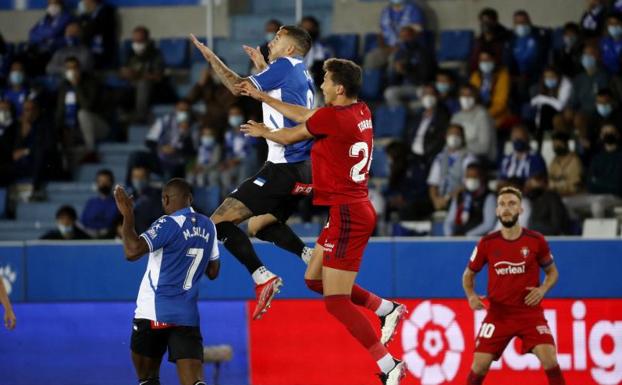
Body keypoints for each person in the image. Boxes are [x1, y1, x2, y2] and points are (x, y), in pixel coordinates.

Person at [239, 58, 407, 385]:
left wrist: (264, 130)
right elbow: (309, 116)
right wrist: (267, 99)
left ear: (340, 89)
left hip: (348, 214)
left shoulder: (332, 117)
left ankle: (389, 366)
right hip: (348, 209)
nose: (322, 86)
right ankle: (386, 308)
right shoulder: (362, 111)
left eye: (327, 81)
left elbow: (292, 133)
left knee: (335, 302)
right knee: (314, 281)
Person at [191, 26, 317, 319]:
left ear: (290, 49)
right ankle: (308, 255)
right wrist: (262, 66)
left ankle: (263, 277)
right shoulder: (299, 71)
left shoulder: (285, 65)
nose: (270, 43)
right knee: (258, 227)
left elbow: (238, 87)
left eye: (277, 40)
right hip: (302, 170)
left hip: (282, 168)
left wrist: (212, 59)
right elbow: (279, 98)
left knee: (216, 224)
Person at [113, 179, 220, 385]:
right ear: (190, 199)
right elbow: (213, 271)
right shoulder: (209, 225)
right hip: (187, 316)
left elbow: (132, 251)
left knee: (148, 379)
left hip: (153, 312)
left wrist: (128, 215)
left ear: (165, 199)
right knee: (195, 382)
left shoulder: (167, 223)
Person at [462, 186, 566, 385]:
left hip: (530, 313)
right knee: (479, 366)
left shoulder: (536, 241)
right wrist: (471, 296)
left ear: (521, 209)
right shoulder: (487, 243)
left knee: (550, 359)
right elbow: (468, 275)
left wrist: (543, 289)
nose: (507, 208)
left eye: (512, 204)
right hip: (498, 314)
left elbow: (552, 272)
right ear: (496, 211)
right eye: (502, 204)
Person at [55, 56, 109, 161]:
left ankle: (91, 151)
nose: (72, 71)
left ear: (79, 69)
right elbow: (60, 111)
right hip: (76, 129)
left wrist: (76, 86)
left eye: (74, 68)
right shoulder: (64, 86)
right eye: (69, 68)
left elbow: (87, 106)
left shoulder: (91, 82)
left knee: (82, 113)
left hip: (98, 126)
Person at [427, 124, 477, 211]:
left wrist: (447, 198)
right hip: (439, 199)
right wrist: (435, 200)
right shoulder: (440, 157)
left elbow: (468, 184)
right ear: (445, 136)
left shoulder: (469, 157)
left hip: (458, 197)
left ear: (462, 137)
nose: (454, 137)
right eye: (451, 134)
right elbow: (433, 184)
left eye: (457, 134)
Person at [384, 26, 436, 109]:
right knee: (390, 92)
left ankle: (406, 111)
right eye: (402, 37)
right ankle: (402, 113)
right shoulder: (400, 53)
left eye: (407, 36)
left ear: (414, 36)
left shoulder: (422, 52)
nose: (405, 39)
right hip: (404, 86)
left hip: (419, 86)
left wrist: (405, 71)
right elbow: (392, 79)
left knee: (427, 99)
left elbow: (425, 76)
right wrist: (395, 71)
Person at [120, 26, 165, 123]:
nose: (137, 44)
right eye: (135, 41)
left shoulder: (155, 54)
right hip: (131, 87)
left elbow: (158, 77)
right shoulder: (130, 53)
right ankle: (121, 116)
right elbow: (122, 71)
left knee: (143, 84)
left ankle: (141, 116)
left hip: (153, 89)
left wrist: (139, 75)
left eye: (140, 41)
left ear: (147, 40)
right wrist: (125, 73)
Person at [364, 0, 426, 70]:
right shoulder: (386, 10)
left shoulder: (413, 10)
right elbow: (381, 33)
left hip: (406, 49)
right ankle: (369, 79)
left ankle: (390, 80)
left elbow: (416, 33)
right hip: (387, 47)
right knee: (371, 57)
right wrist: (384, 47)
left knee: (394, 58)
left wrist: (398, 47)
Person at [145, 99, 197, 180]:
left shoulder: (193, 127)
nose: (183, 113)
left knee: (172, 172)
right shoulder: (164, 121)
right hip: (161, 158)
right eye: (181, 110)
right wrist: (162, 148)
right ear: (175, 109)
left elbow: (193, 151)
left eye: (186, 110)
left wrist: (186, 135)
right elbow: (149, 142)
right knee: (136, 157)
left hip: (180, 161)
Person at [444, 163, 496, 236]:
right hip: (459, 238)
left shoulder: (489, 197)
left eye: (474, 176)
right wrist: (450, 235)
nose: (471, 179)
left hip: (478, 240)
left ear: (482, 177)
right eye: (468, 176)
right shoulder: (460, 195)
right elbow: (449, 221)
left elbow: (489, 224)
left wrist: (467, 235)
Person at [404, 83, 450, 165]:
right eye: (426, 94)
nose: (428, 97)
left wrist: (426, 152)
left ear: (437, 96)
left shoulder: (443, 117)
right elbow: (409, 134)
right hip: (412, 154)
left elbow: (440, 140)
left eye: (431, 94)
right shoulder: (417, 115)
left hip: (428, 155)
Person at [450, 84, 497, 163]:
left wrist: (461, 150)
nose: (466, 98)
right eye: (463, 95)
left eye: (469, 95)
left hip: (480, 158)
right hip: (458, 155)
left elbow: (484, 147)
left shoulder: (482, 114)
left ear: (475, 97)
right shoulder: (456, 117)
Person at [529, 67, 573, 148]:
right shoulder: (543, 85)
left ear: (558, 76)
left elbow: (560, 106)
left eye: (552, 77)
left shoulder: (566, 84)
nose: (549, 79)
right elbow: (533, 103)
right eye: (547, 77)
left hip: (564, 114)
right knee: (542, 109)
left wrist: (542, 98)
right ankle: (538, 136)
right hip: (547, 117)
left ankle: (540, 138)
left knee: (545, 107)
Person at [469, 49, 511, 129]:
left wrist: (485, 114)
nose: (485, 62)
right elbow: (471, 96)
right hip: (477, 114)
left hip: (497, 116)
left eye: (487, 59)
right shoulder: (475, 76)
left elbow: (501, 102)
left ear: (494, 60)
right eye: (482, 60)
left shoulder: (503, 75)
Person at [469, 7, 511, 73]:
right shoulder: (479, 41)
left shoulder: (505, 38)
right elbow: (474, 60)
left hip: (500, 73)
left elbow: (506, 60)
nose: (485, 23)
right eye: (483, 21)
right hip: (480, 74)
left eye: (488, 21)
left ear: (495, 21)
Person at [78, 0, 118, 69]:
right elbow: (80, 27)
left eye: (85, 1)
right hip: (89, 49)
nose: (84, 3)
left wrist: (86, 24)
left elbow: (97, 28)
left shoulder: (107, 10)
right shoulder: (86, 14)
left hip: (103, 50)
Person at [80, 169, 118, 238]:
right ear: (97, 183)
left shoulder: (117, 203)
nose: (103, 184)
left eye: (106, 181)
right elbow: (84, 220)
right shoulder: (91, 202)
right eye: (101, 181)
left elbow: (111, 221)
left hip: (110, 237)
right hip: (89, 236)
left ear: (112, 183)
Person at [548, 130, 584, 197]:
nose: (556, 148)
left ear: (565, 144)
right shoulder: (554, 161)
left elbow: (575, 187)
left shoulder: (574, 160)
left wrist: (559, 186)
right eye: (554, 146)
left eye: (558, 145)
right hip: (556, 196)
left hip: (572, 197)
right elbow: (550, 181)